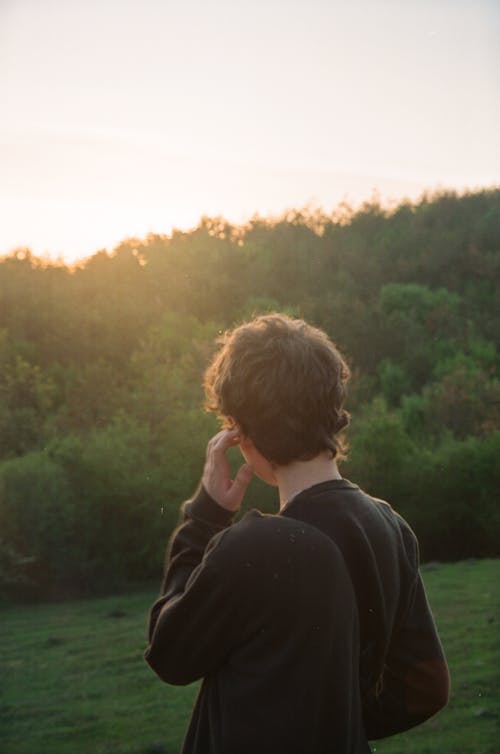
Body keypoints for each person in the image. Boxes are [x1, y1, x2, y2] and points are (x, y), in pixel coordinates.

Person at [144, 313, 450, 754]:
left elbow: (168, 652)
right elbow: (427, 687)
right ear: (333, 406)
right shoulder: (391, 527)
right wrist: (339, 727)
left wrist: (205, 518)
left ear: (240, 433)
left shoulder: (254, 548)